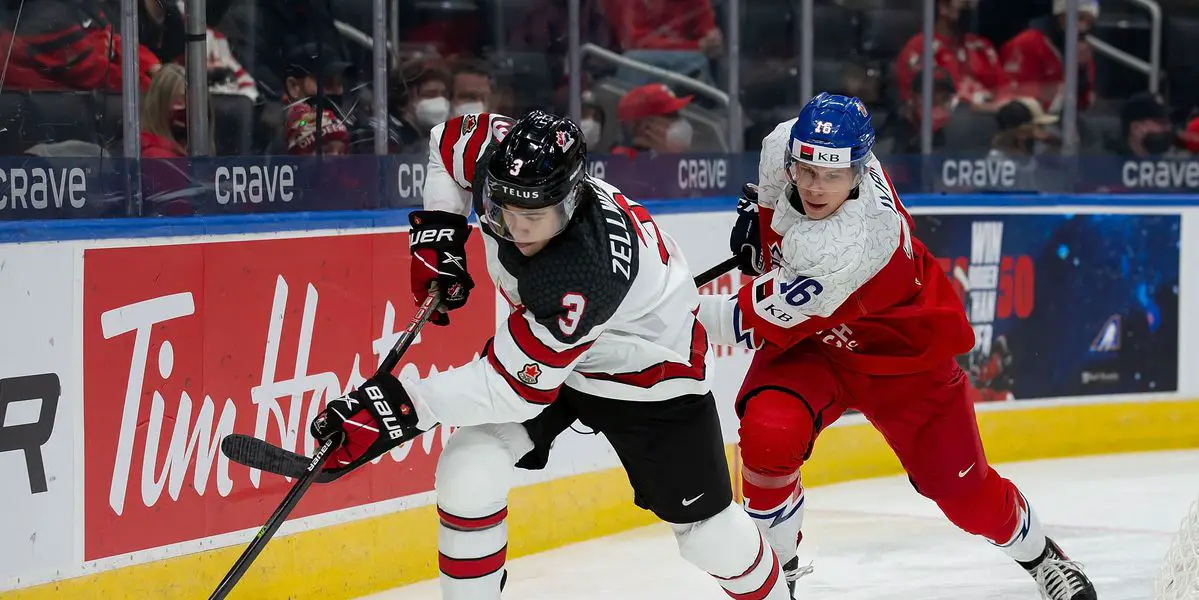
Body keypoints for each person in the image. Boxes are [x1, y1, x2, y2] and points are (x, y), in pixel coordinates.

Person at [307, 109, 791, 600]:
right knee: (470, 469)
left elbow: (512, 390)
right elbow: (447, 143)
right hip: (562, 354)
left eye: (533, 216)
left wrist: (398, 406)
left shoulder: (581, 273)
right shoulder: (502, 161)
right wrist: (441, 229)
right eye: (502, 210)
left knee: (707, 537)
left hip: (649, 373)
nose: (514, 227)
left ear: (572, 198)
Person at [697, 93, 1098, 600]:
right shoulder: (784, 144)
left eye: (832, 176)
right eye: (806, 170)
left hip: (902, 357)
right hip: (817, 344)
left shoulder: (852, 242)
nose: (816, 187)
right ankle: (776, 580)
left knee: (962, 493)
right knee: (769, 435)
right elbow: (775, 214)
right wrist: (761, 230)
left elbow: (734, 322)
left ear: (860, 173)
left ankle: (1044, 559)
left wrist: (649, 309)